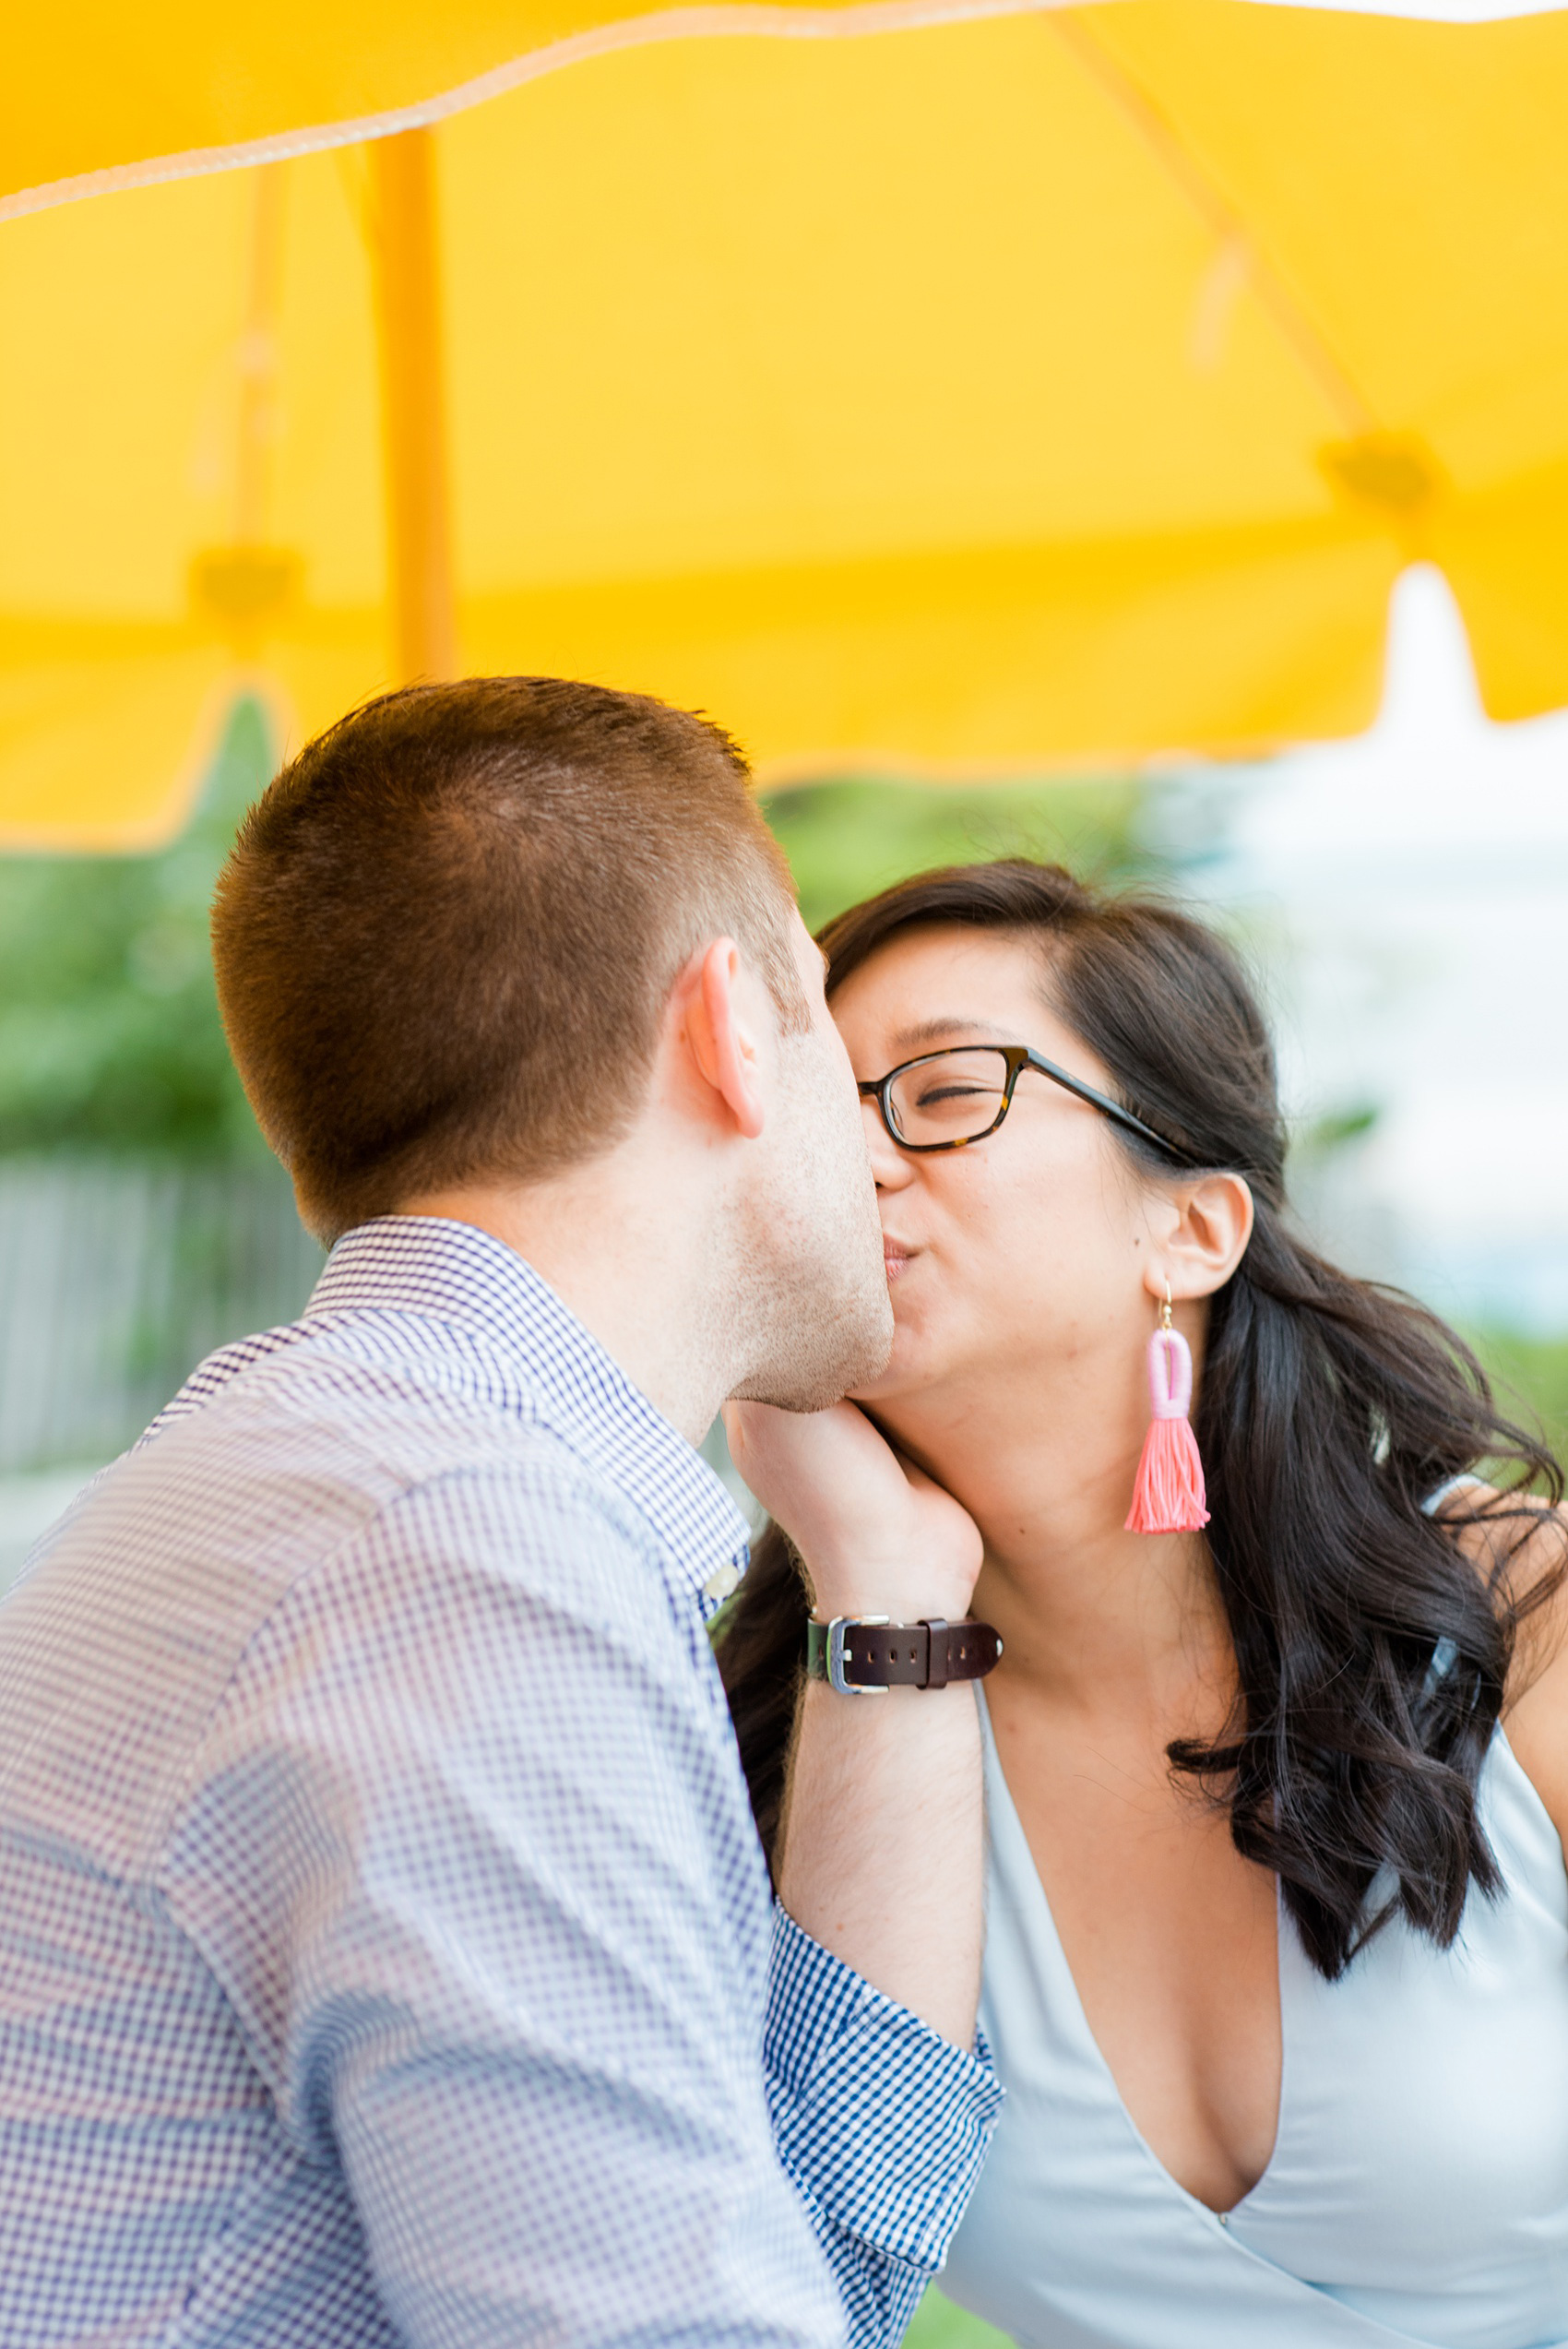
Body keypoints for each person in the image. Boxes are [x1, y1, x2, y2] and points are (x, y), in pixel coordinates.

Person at [0, 679, 1001, 2349]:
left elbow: (775, 2246)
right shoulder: (454, 1558)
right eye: (830, 1024)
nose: (876, 1145)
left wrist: (887, 1588)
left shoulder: (320, 1466)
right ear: (735, 1030)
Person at [721, 856, 1568, 2349]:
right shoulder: (799, 1717)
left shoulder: (1519, 1619)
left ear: (1193, 1228)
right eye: (818, 1109)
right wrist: (878, 1584)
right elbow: (814, 2272)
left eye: (940, 1092)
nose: (849, 1163)